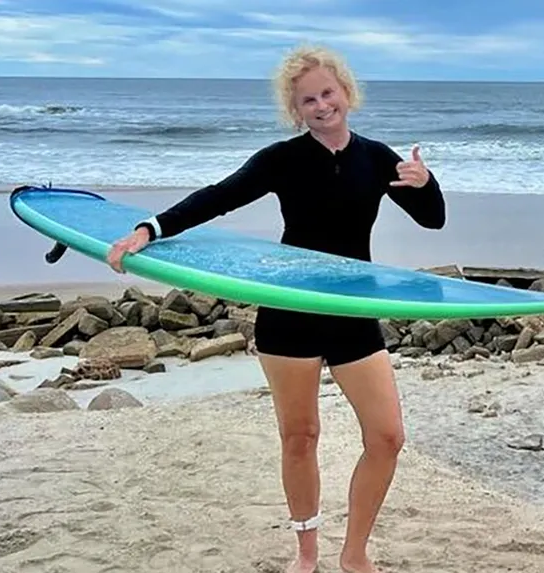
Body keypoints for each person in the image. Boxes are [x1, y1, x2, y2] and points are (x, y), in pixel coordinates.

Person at [105, 44, 446, 573]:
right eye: (308, 100)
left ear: (346, 93)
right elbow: (216, 197)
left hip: (351, 309)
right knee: (300, 435)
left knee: (386, 437)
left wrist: (427, 185)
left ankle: (354, 554)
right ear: (297, 110)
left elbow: (433, 220)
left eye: (327, 93)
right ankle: (306, 554)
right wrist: (150, 229)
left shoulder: (377, 158)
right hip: (289, 311)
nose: (321, 105)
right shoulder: (282, 160)